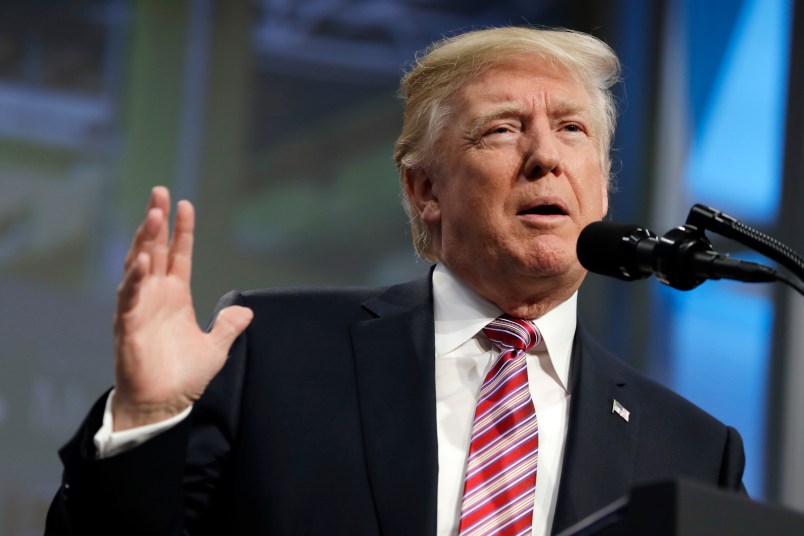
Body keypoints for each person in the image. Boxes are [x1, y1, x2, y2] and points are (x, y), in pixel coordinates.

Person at [45, 26, 745, 536]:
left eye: (572, 130)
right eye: (502, 130)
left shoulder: (691, 452)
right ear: (423, 191)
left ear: (601, 188)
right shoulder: (276, 357)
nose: (545, 158)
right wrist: (145, 425)